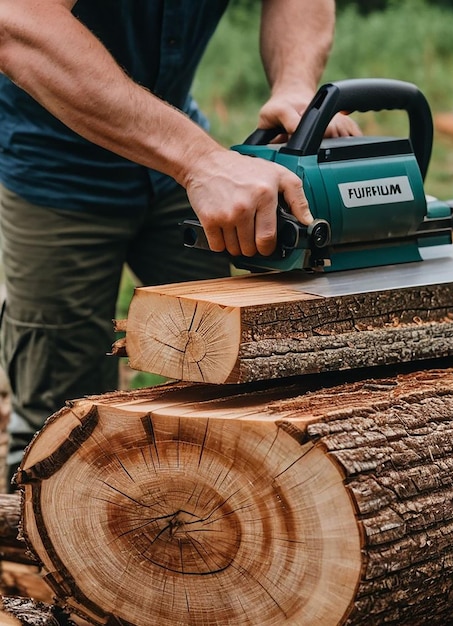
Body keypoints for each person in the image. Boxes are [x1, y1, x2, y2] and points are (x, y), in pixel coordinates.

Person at [0, 0, 359, 485]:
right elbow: (19, 22)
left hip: (173, 165)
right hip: (54, 168)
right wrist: (200, 162)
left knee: (227, 369)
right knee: (59, 416)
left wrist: (295, 83)